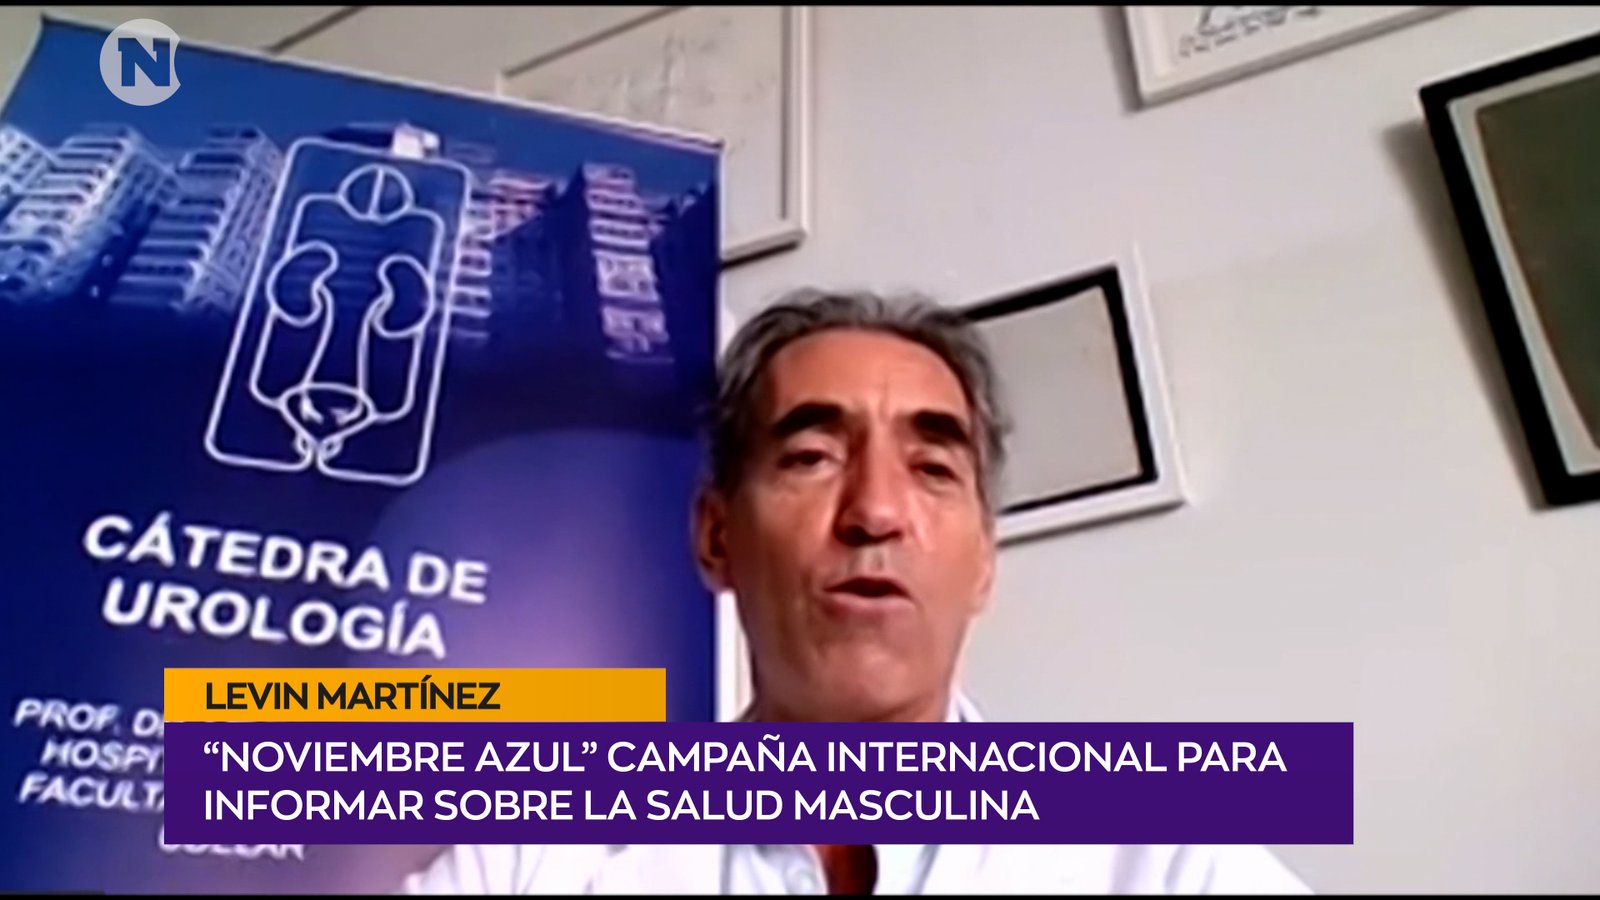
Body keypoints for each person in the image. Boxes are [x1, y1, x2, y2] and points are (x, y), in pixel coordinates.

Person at [402, 289, 1311, 894]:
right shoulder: (538, 858)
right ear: (716, 538)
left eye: (932, 467)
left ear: (984, 562)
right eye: (811, 457)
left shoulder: (1164, 859)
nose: (875, 511)